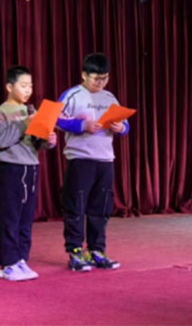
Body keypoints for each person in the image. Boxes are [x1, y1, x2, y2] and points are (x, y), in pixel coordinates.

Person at [57, 53, 130, 272]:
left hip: (105, 159)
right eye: (96, 78)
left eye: (105, 78)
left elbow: (125, 125)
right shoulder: (72, 95)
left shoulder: (109, 97)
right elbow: (55, 119)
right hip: (80, 158)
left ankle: (97, 250)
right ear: (84, 75)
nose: (101, 83)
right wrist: (81, 126)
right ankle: (75, 251)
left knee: (101, 207)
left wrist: (120, 128)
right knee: (76, 206)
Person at [0, 65, 56, 281]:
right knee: (10, 218)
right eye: (23, 85)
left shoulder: (30, 111)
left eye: (30, 86)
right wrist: (23, 125)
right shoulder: (2, 112)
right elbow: (0, 141)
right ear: (9, 87)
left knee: (26, 219)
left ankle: (21, 259)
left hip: (31, 167)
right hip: (10, 168)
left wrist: (48, 140)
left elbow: (35, 142)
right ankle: (8, 264)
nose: (28, 90)